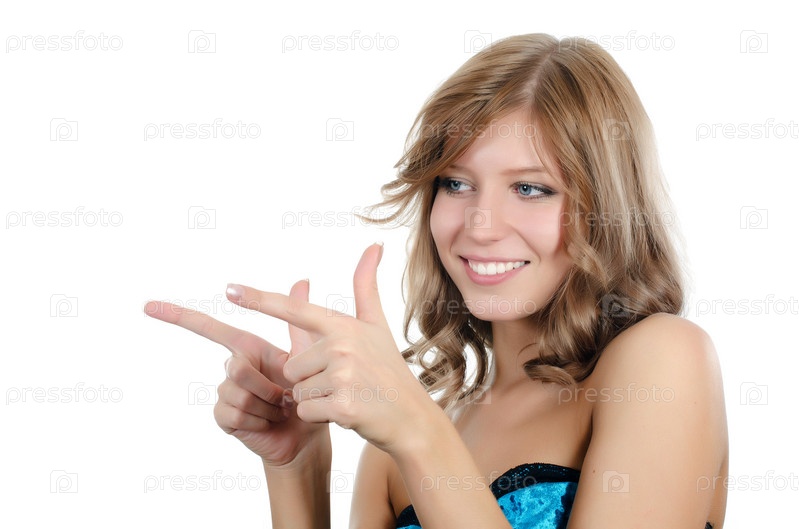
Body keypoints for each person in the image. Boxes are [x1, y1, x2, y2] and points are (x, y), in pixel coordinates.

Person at [144, 33, 728, 528]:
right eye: (456, 183)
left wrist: (415, 430)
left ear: (607, 209)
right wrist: (297, 465)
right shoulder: (400, 442)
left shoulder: (662, 359)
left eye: (530, 188)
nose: (479, 225)